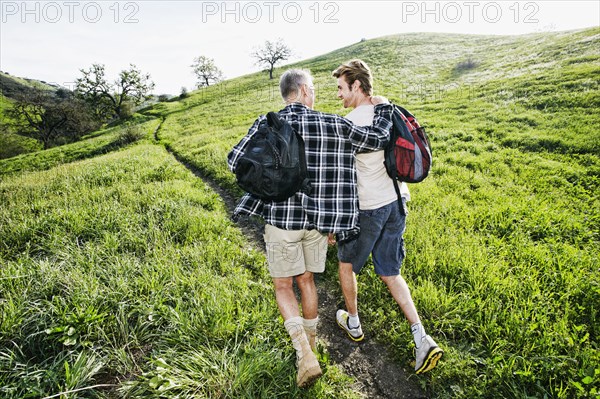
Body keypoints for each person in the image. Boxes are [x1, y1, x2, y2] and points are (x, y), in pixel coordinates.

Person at [227, 68, 393, 387]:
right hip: (317, 223)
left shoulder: (267, 123)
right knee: (307, 282)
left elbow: (235, 160)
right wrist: (383, 107)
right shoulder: (330, 123)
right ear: (304, 91)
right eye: (313, 88)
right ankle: (313, 346)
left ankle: (304, 354)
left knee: (283, 286)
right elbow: (377, 138)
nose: (315, 94)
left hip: (280, 221)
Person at [331, 59, 443, 374]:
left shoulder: (351, 123)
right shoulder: (387, 110)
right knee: (390, 272)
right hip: (398, 201)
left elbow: (344, 181)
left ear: (356, 85)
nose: (339, 95)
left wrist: (334, 224)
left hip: (370, 208)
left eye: (341, 87)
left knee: (346, 263)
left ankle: (353, 323)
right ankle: (422, 338)